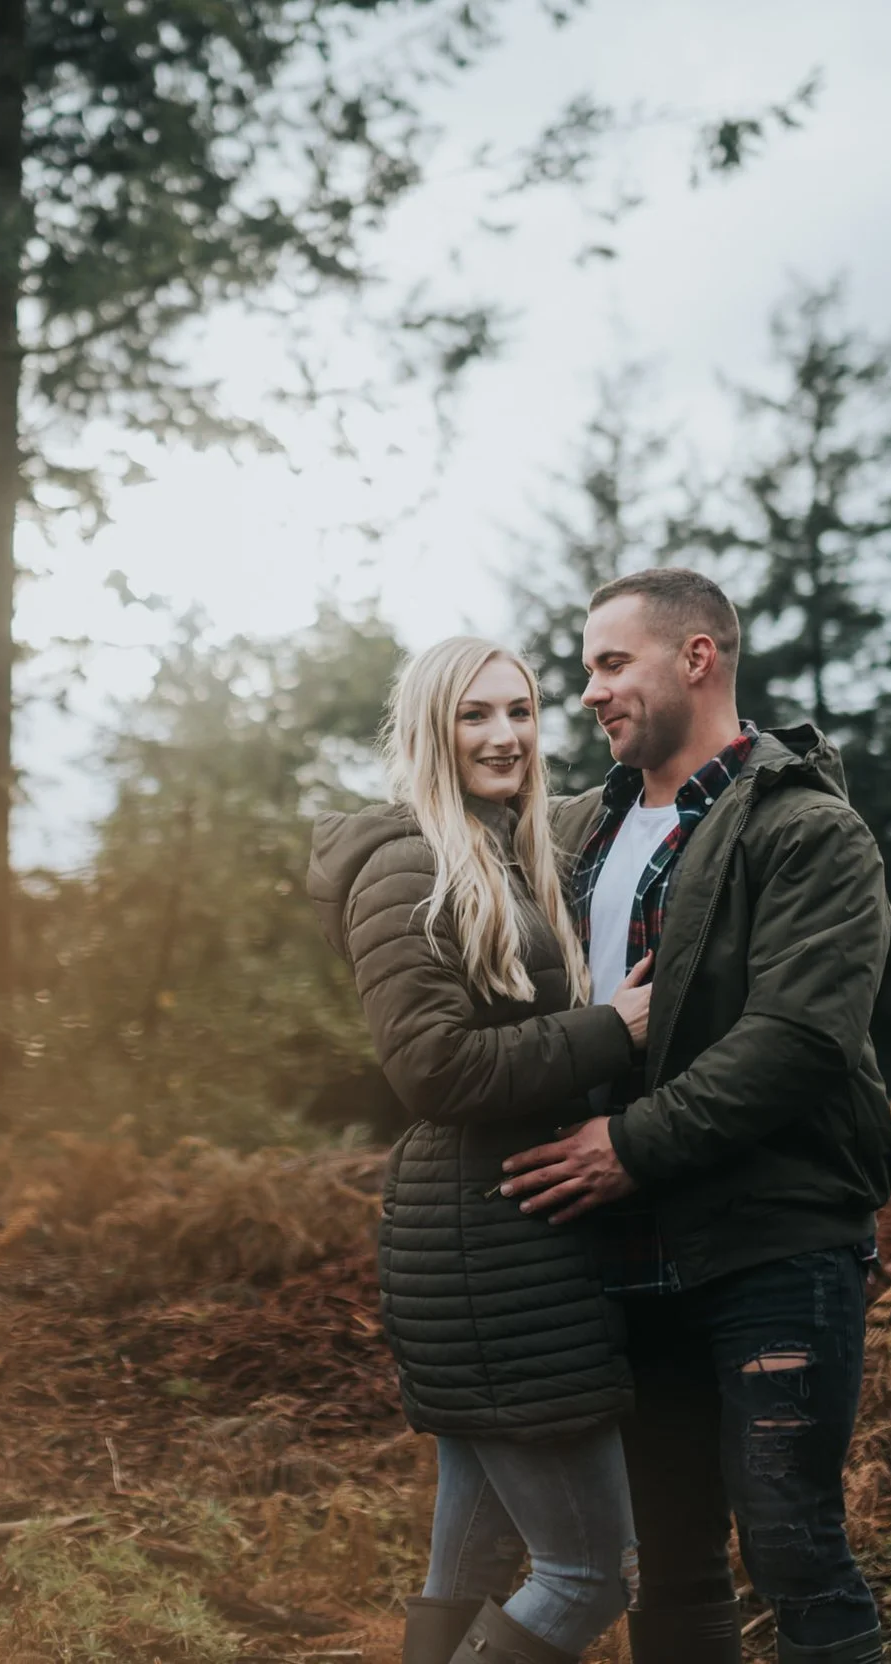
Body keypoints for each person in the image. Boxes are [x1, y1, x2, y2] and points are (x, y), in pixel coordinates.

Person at [498, 569, 891, 1664]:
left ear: (697, 658)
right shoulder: (579, 830)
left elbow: (801, 1039)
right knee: (668, 1559)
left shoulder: (809, 830)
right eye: (586, 667)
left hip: (769, 1240)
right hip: (617, 1250)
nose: (587, 692)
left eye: (609, 662)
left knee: (791, 1545)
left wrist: (631, 1143)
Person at [308, 636, 657, 1664]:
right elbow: (431, 1068)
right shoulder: (407, 863)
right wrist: (613, 1029)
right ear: (429, 728)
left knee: (464, 1567)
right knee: (591, 1573)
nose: (503, 734)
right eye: (474, 714)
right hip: (487, 1247)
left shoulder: (507, 847)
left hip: (503, 1235)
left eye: (518, 711)